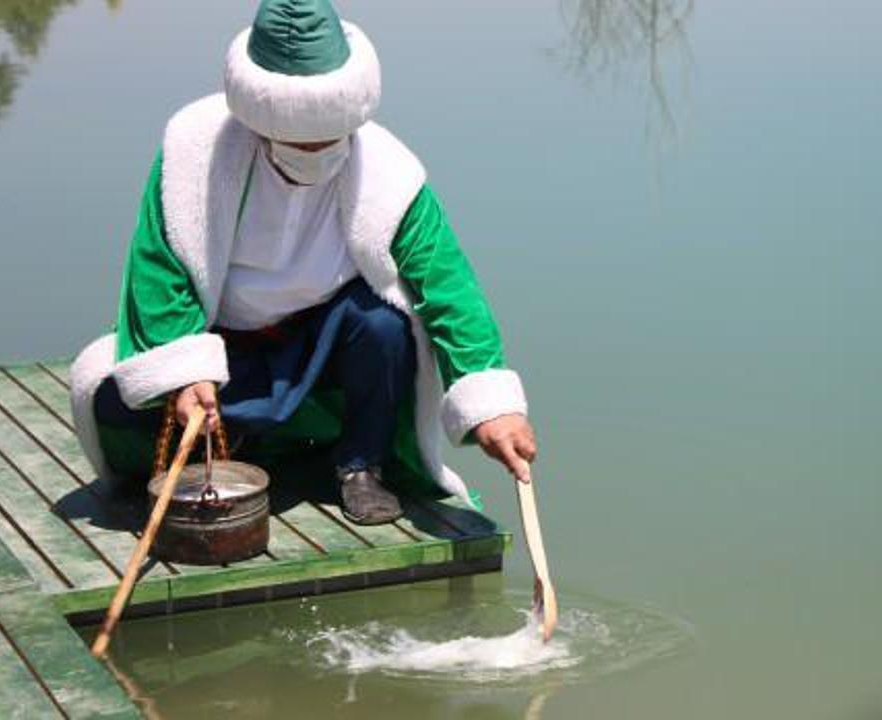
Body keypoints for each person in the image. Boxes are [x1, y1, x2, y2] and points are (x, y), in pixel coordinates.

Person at [69, 0, 535, 525]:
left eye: (326, 140)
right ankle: (214, 449)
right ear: (258, 120)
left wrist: (492, 402)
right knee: (112, 399)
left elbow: (446, 286)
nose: (312, 153)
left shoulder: (391, 174)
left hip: (319, 343)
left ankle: (360, 465)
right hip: (220, 344)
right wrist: (185, 374)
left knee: (383, 325)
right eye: (295, 142)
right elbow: (158, 270)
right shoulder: (192, 154)